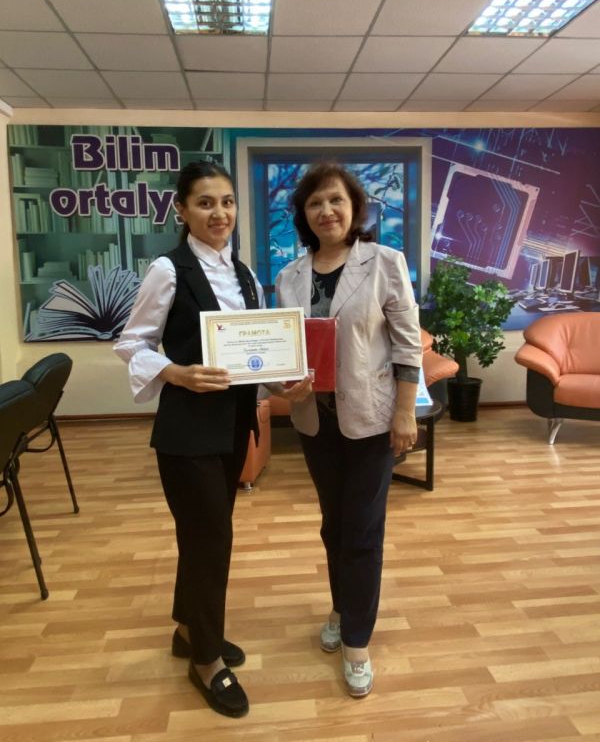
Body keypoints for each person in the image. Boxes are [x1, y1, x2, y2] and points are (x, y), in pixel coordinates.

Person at [114, 161, 310, 718]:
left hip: (232, 427)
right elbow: (131, 343)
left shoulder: (244, 275)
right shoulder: (168, 270)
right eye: (205, 203)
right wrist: (176, 372)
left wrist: (281, 381)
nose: (219, 213)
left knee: (204, 536)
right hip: (186, 432)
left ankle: (188, 630)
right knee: (211, 541)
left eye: (226, 202)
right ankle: (205, 659)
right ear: (182, 210)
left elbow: (250, 356)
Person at [276, 162, 422, 698]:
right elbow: (284, 350)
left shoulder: (384, 262)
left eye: (335, 200)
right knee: (333, 525)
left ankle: (357, 639)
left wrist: (405, 412)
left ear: (354, 208)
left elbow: (407, 343)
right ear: (303, 214)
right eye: (315, 203)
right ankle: (341, 605)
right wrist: (280, 384)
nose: (326, 211)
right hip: (315, 422)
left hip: (371, 420)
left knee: (362, 530)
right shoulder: (289, 276)